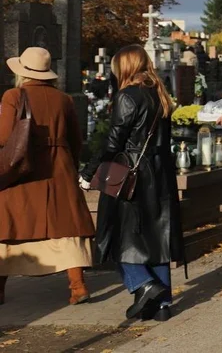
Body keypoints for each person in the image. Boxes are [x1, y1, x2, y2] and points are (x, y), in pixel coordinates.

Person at [80, 45, 183, 321]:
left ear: (124, 67)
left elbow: (114, 141)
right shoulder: (158, 93)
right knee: (156, 236)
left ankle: (143, 283)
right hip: (160, 173)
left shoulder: (128, 96)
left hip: (132, 175)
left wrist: (89, 172)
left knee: (115, 233)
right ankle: (162, 305)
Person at [0, 48, 96, 308]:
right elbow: (76, 139)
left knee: (9, 226)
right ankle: (78, 286)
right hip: (59, 166)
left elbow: (5, 136)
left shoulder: (14, 95)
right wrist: (71, 166)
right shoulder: (63, 99)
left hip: (23, 167)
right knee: (67, 226)